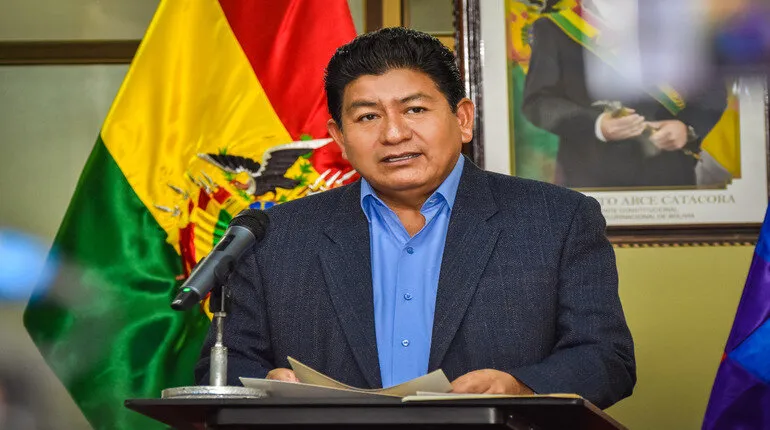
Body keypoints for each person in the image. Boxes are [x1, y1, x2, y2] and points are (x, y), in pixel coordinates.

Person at [195, 27, 635, 409]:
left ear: (462, 119)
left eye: (415, 110)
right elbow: (225, 364)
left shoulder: (557, 220)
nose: (393, 133)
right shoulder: (274, 234)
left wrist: (521, 386)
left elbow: (605, 358)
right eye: (368, 116)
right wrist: (264, 386)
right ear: (340, 138)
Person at [522, 1, 727, 189]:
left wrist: (686, 128)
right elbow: (538, 102)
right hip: (590, 178)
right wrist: (598, 124)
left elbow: (713, 94)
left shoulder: (678, 25)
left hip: (668, 176)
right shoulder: (552, 28)